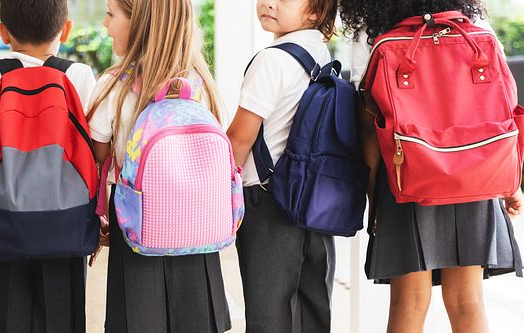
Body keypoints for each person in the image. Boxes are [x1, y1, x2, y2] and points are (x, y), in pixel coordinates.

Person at [340, 0, 523, 331]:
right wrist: (511, 185)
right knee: (468, 300)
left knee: (408, 302)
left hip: (405, 176)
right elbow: (504, 113)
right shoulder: (475, 24)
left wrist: (373, 196)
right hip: (475, 175)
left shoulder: (372, 33)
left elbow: (368, 126)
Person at [87, 0, 231, 331]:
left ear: (138, 23)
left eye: (111, 14)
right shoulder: (200, 84)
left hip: (139, 231)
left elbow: (98, 158)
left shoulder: (113, 87)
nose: (106, 25)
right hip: (198, 230)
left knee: (138, 320)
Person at [0, 0, 97, 331]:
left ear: (2, 31)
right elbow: (92, 152)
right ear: (66, 28)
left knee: (3, 315)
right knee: (62, 316)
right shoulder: (78, 75)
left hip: (1, 221)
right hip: (66, 223)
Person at [224, 0, 339, 331]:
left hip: (268, 201)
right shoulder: (323, 56)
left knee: (269, 310)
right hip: (316, 198)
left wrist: (219, 196)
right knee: (313, 306)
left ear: (316, 12)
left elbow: (239, 138)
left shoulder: (272, 60)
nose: (268, 3)